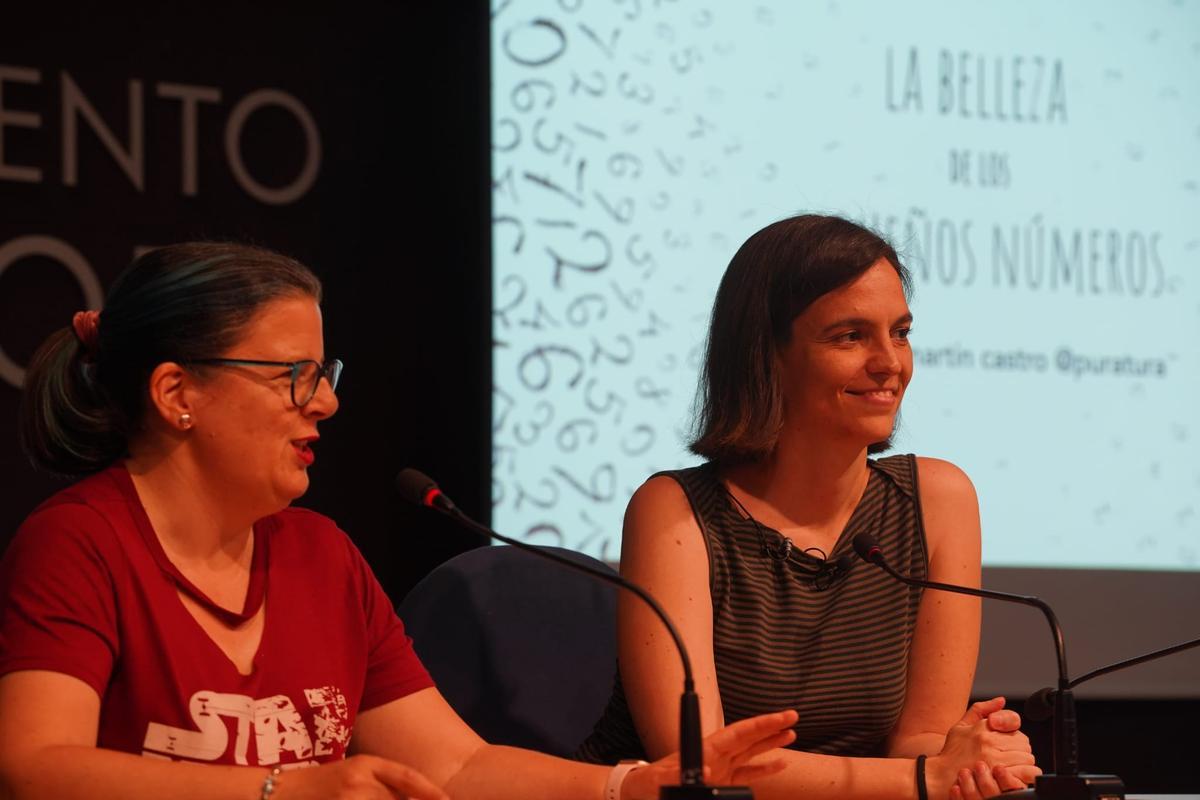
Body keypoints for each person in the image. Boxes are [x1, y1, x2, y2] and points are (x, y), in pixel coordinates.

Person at [0, 242, 799, 800]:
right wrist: (285, 790)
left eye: (324, 374)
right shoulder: (79, 543)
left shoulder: (321, 555)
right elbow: (33, 770)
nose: (326, 403)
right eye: (293, 376)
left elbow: (455, 768)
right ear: (178, 395)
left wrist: (627, 786)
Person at [576, 215, 1041, 800]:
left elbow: (920, 737)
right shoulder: (673, 512)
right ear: (767, 355)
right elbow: (700, 767)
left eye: (899, 332)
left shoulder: (938, 501)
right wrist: (927, 775)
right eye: (850, 336)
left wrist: (971, 758)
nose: (890, 363)